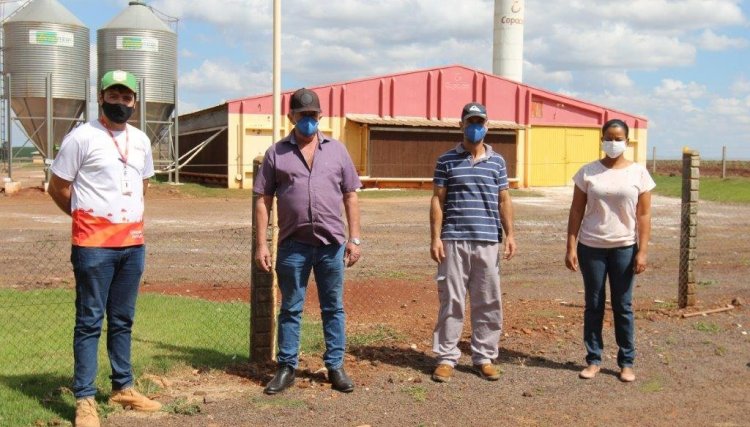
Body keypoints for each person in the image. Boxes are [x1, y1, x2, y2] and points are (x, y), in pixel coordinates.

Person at [48, 70, 162, 427]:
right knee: (89, 321)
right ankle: (84, 399)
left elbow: (143, 185)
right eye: (113, 96)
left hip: (132, 245)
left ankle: (122, 386)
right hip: (93, 246)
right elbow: (58, 187)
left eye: (126, 98)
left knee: (123, 320)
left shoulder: (141, 140)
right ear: (101, 98)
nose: (120, 103)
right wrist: (84, 217)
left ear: (135, 102)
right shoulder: (82, 138)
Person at [254, 88, 362, 394]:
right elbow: (263, 199)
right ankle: (287, 367)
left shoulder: (338, 151)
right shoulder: (277, 153)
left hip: (331, 246)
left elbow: (350, 196)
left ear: (320, 116)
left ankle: (335, 366)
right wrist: (262, 243)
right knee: (290, 308)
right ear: (291, 117)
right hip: (293, 248)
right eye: (303, 116)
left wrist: (354, 238)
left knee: (333, 307)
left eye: (313, 115)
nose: (308, 121)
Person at [429, 102, 516, 383]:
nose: (475, 127)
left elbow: (504, 200)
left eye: (480, 122)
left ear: (487, 125)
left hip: (488, 240)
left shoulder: (498, 162)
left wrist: (510, 234)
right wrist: (435, 238)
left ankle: (484, 356)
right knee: (451, 300)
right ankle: (446, 357)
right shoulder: (446, 161)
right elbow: (437, 200)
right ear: (461, 125)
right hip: (454, 240)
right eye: (471, 121)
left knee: (488, 300)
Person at [565, 118, 655, 383]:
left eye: (619, 138)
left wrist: (643, 250)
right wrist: (570, 245)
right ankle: (593, 360)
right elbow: (576, 210)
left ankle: (626, 362)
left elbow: (645, 215)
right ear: (602, 139)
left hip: (625, 249)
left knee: (623, 305)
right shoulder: (588, 172)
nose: (613, 142)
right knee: (593, 305)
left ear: (627, 142)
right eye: (609, 137)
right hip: (591, 247)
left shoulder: (639, 173)